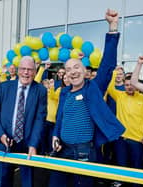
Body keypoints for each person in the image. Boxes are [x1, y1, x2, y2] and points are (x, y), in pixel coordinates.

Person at [49, 9, 125, 187]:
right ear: (65, 75)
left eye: (77, 67)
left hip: (84, 151)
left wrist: (112, 28)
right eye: (68, 69)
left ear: (84, 71)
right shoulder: (65, 92)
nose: (73, 71)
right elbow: (60, 118)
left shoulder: (94, 88)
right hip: (63, 149)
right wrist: (55, 135)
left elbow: (107, 65)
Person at [0, 56, 47, 187]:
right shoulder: (4, 87)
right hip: (5, 141)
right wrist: (1, 135)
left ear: (35, 71)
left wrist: (33, 144)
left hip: (27, 144)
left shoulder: (41, 91)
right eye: (23, 69)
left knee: (27, 180)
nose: (26, 72)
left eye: (30, 69)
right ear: (18, 70)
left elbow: (39, 119)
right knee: (4, 178)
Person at [107, 69, 143, 187]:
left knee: (136, 164)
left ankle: (135, 184)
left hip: (137, 139)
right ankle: (121, 181)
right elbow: (110, 87)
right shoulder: (120, 95)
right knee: (121, 162)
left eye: (132, 84)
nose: (129, 87)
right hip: (121, 138)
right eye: (126, 85)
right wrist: (114, 73)